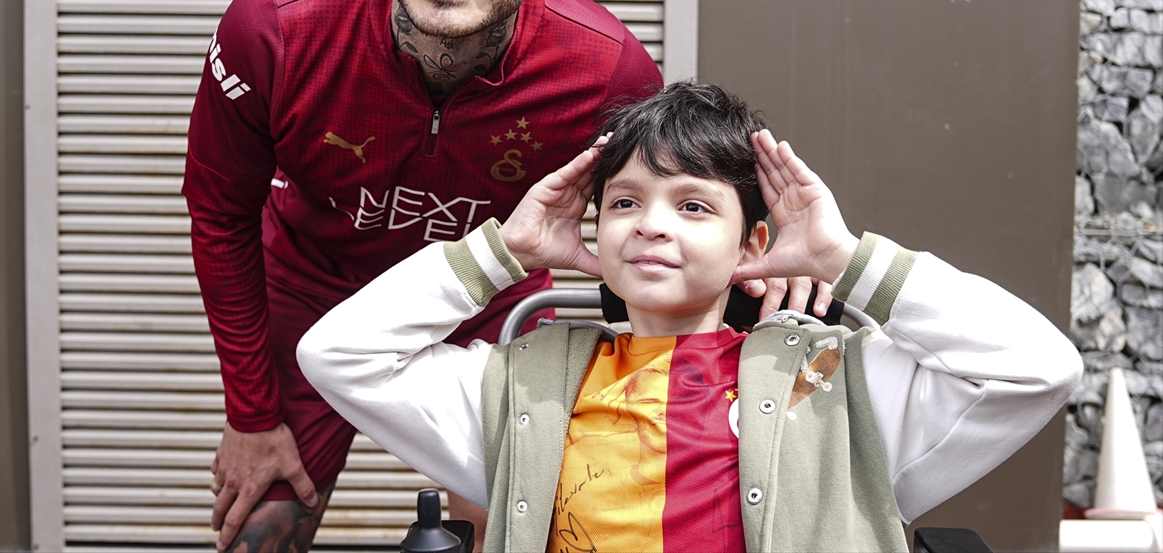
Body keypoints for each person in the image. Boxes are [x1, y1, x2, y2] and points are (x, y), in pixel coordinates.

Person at [182, 0, 677, 551]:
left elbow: (666, 217)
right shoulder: (275, 25)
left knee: (509, 525)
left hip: (486, 293)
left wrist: (764, 270)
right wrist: (251, 414)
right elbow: (220, 214)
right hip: (311, 281)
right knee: (264, 524)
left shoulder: (607, 70)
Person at [297, 81, 1083, 552]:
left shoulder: (829, 382)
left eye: (694, 205)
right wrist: (505, 250)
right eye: (624, 202)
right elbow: (337, 354)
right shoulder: (525, 389)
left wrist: (843, 259)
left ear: (752, 245)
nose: (651, 224)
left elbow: (1036, 369)